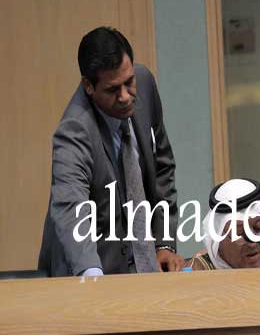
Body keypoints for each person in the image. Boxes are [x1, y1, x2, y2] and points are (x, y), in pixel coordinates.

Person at [38, 27, 183, 276]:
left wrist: (164, 243)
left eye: (128, 83)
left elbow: (162, 168)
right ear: (88, 85)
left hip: (142, 263)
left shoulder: (144, 82)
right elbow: (71, 209)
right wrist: (93, 276)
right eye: (112, 90)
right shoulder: (74, 131)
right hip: (91, 266)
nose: (125, 96)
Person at [184, 178, 260, 270]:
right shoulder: (198, 275)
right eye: (240, 232)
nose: (253, 243)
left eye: (258, 228)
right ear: (218, 242)